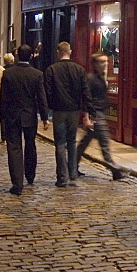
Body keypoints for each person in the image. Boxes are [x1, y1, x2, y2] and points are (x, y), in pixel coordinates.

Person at [0, 44, 49, 194]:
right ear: (31, 56)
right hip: (29, 114)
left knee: (14, 148)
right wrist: (45, 117)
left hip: (12, 115)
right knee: (30, 145)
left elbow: (3, 98)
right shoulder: (37, 74)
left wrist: (3, 115)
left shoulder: (8, 74)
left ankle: (17, 183)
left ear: (17, 56)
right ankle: (30, 175)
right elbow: (41, 97)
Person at [44, 42, 91, 187]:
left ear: (58, 52)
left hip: (58, 110)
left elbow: (47, 92)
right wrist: (88, 113)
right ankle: (72, 172)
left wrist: (47, 111)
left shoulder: (52, 69)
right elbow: (86, 93)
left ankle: (62, 177)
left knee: (60, 143)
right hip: (74, 110)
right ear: (70, 51)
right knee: (72, 141)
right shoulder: (79, 69)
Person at [77, 53, 127, 180]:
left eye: (106, 62)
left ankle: (71, 166)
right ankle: (116, 171)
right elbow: (86, 99)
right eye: (101, 62)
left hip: (99, 113)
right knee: (104, 141)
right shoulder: (91, 79)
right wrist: (86, 117)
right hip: (96, 115)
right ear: (94, 64)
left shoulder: (100, 77)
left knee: (84, 143)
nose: (105, 64)